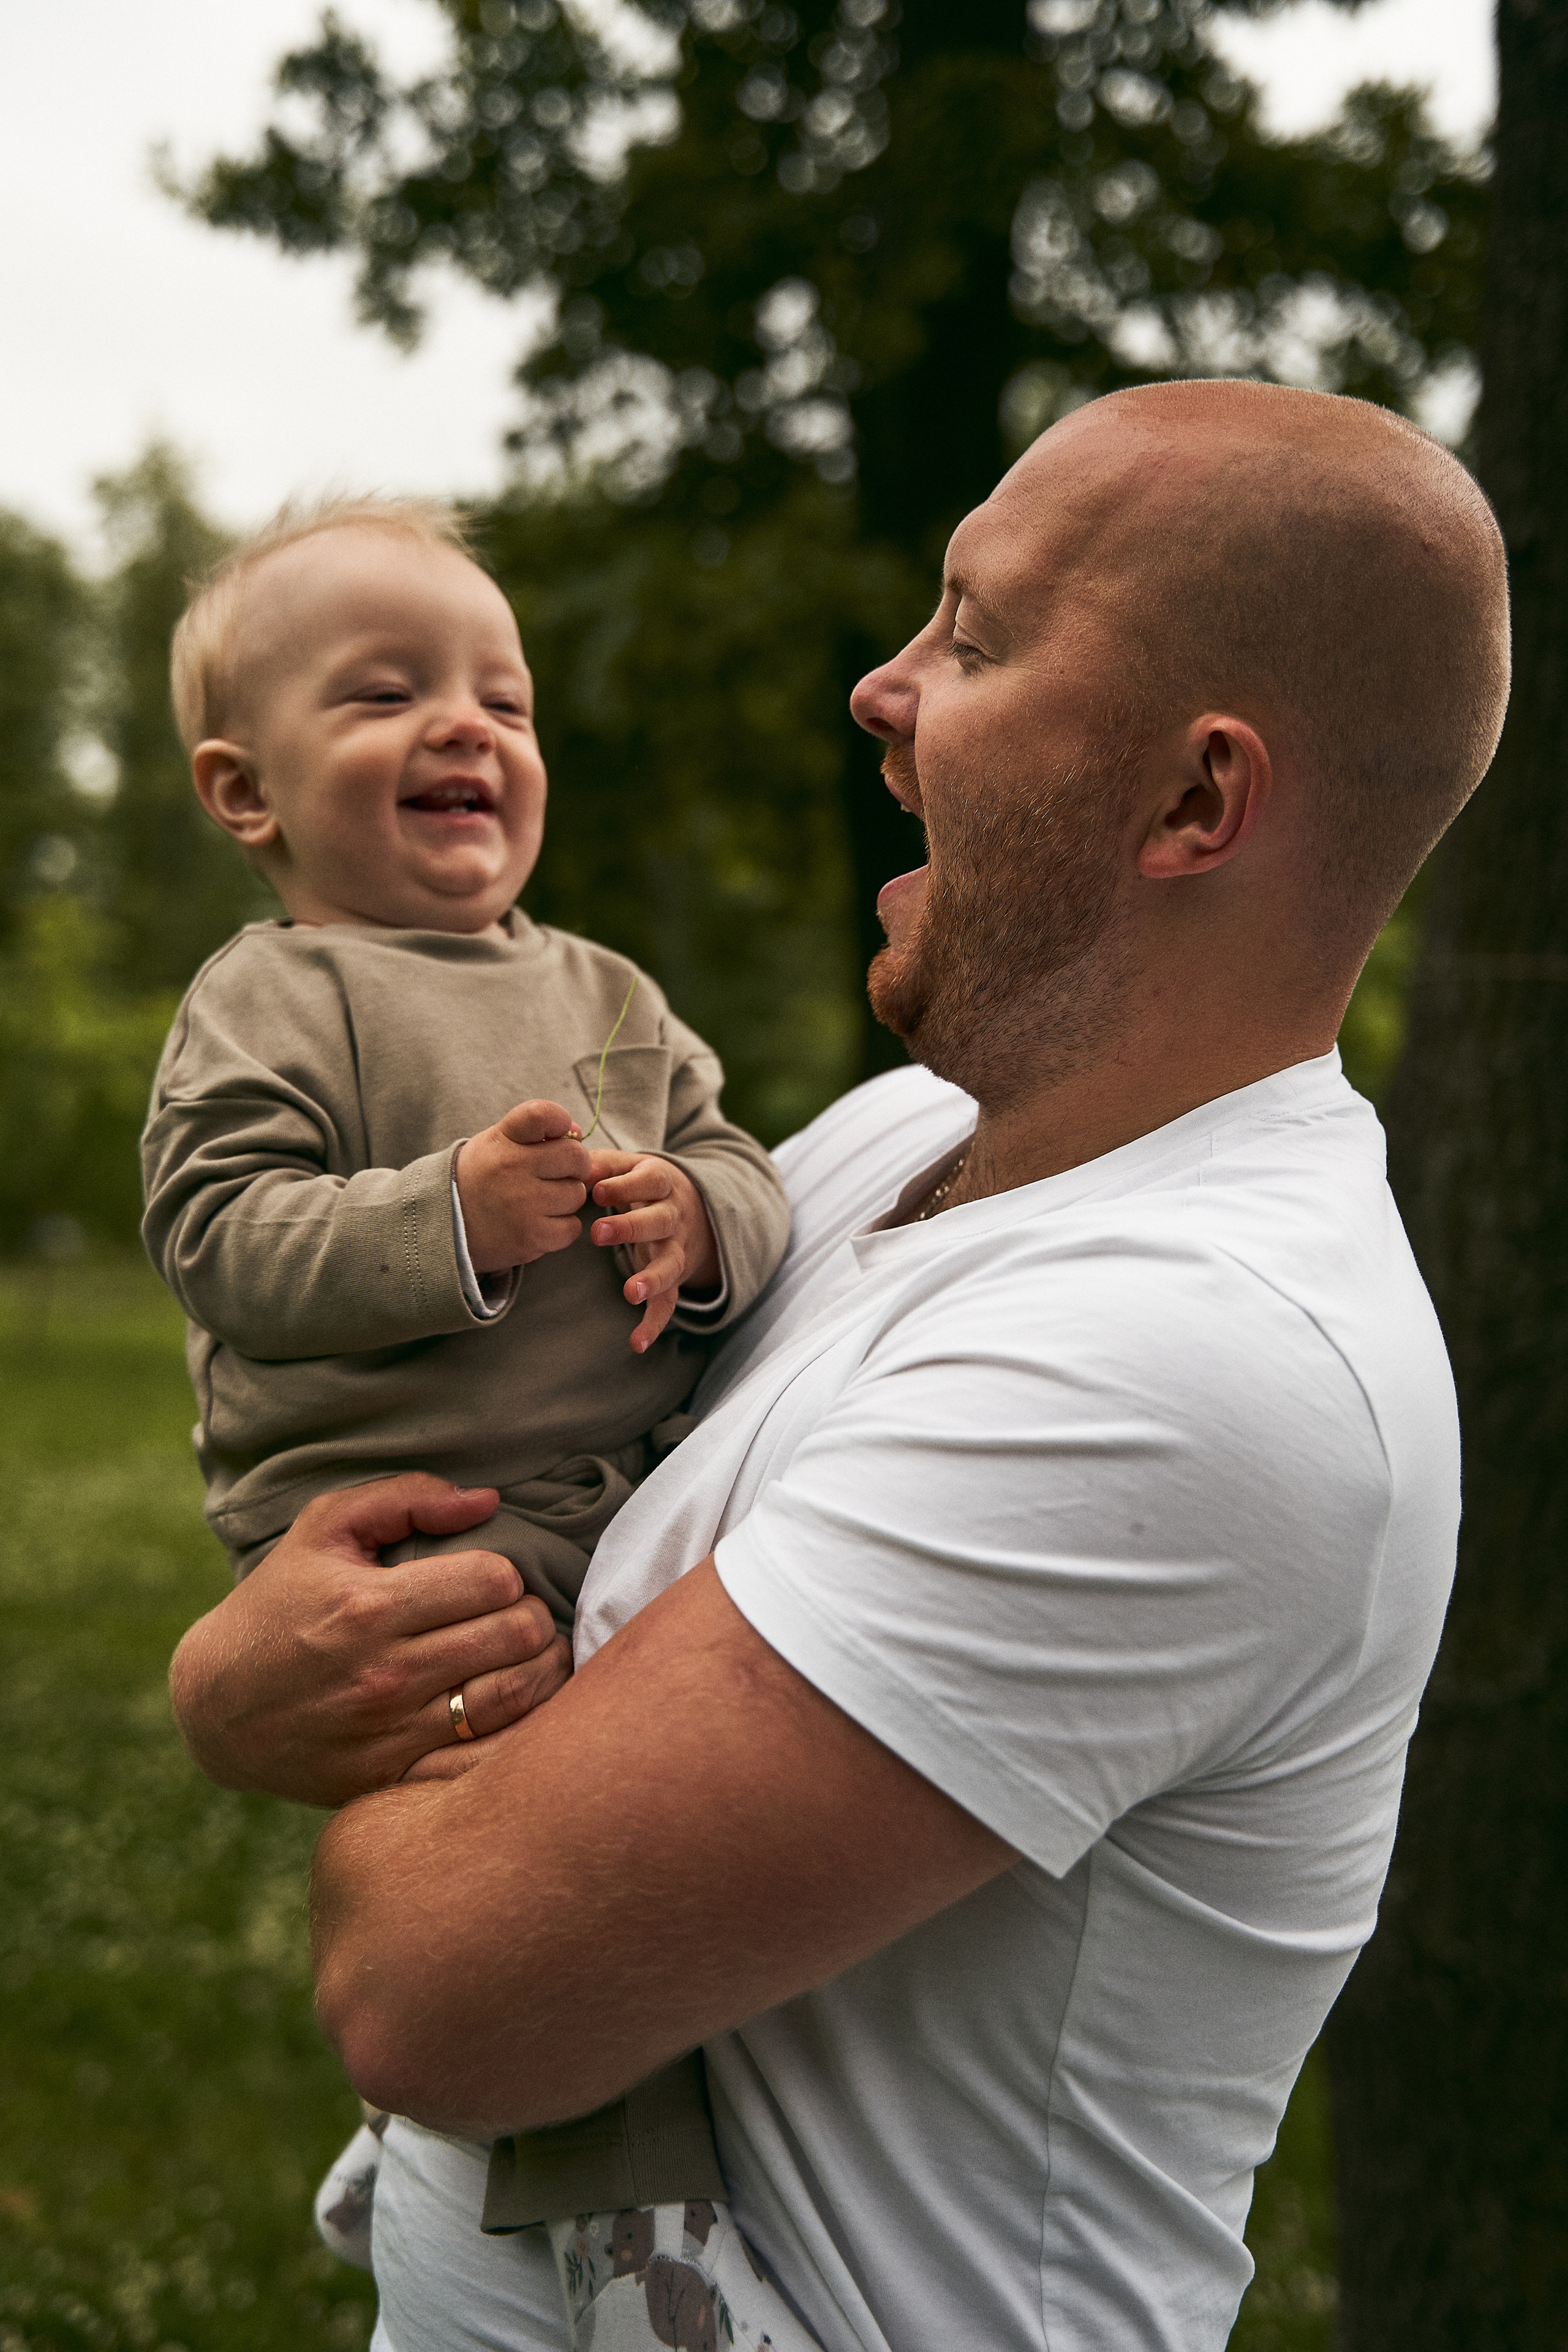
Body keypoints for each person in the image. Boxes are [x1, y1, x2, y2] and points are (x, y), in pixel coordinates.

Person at [168, 380, 1511, 2351]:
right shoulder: (894, 1143)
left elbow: (442, 1992)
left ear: (1196, 802)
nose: (880, 690)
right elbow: (484, 1466)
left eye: (972, 636)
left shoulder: (1194, 1361)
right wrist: (239, 1682)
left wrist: (372, 1704)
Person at [140, 497, 809, 2348]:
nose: (467, 728)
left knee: (679, 1821)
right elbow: (219, 1241)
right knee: (557, 1866)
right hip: (419, 1519)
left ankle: (417, 2139)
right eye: (386, 693)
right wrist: (446, 1218)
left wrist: (704, 1219)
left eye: (503, 700)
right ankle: (636, 2240)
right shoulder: (275, 995)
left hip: (621, 1486)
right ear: (243, 790)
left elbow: (738, 1158)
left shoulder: (605, 990)